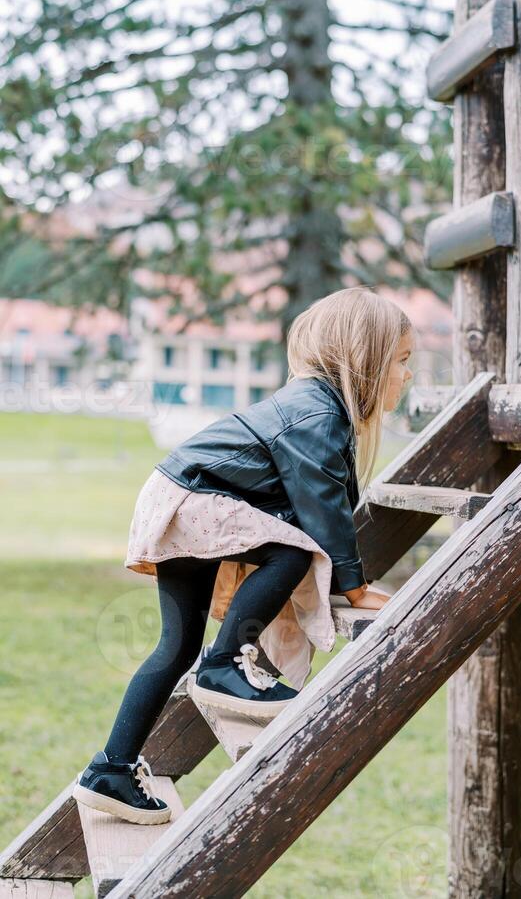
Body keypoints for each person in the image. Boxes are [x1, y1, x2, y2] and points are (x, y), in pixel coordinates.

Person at [72, 286, 414, 824]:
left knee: (175, 646)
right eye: (402, 361)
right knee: (292, 552)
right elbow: (322, 507)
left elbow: (320, 493)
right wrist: (354, 585)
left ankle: (110, 769)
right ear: (366, 360)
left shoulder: (312, 407)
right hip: (192, 500)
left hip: (176, 495)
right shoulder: (316, 411)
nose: (408, 374)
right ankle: (227, 661)